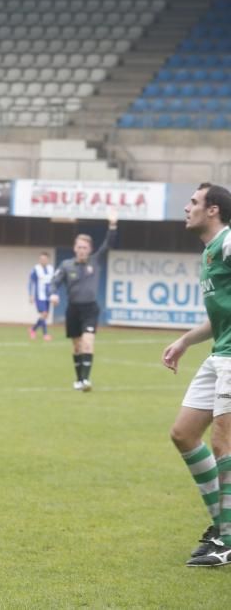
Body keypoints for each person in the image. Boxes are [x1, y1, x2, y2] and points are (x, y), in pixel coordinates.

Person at [161, 182, 231, 567]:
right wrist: (186, 341)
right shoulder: (209, 253)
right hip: (219, 353)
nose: (187, 207)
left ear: (213, 210)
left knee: (224, 444)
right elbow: (220, 315)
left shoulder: (227, 242)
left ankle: (228, 540)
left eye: (193, 202)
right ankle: (222, 524)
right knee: (184, 434)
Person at [49, 209, 118, 392]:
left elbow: (108, 244)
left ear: (90, 249)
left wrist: (112, 225)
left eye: (84, 247)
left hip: (90, 309)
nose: (81, 250)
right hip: (73, 309)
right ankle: (79, 379)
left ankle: (86, 381)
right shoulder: (66, 265)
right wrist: (53, 294)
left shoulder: (95, 261)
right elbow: (54, 282)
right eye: (79, 247)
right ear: (74, 248)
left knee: (88, 342)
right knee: (77, 345)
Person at [28, 251, 54, 341]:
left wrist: (54, 294)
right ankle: (45, 335)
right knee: (44, 314)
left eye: (45, 259)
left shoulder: (51, 269)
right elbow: (31, 282)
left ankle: (33, 329)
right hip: (39, 296)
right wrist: (31, 295)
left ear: (48, 260)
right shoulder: (36, 269)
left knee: (45, 316)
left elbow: (53, 282)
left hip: (48, 296)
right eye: (41, 259)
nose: (43, 260)